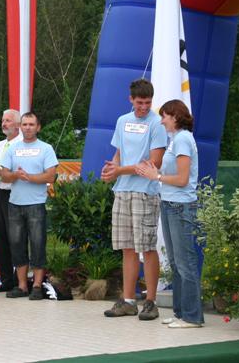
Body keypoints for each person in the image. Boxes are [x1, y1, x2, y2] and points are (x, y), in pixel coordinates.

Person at [101, 78, 166, 321]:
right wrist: (112, 169)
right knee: (127, 247)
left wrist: (120, 170)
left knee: (147, 247)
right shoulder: (122, 121)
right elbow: (118, 154)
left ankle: (151, 301)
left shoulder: (157, 123)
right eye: (139, 103)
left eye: (147, 103)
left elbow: (154, 163)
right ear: (131, 100)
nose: (143, 107)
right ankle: (128, 300)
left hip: (146, 192)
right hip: (122, 191)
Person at [137, 99, 203, 328]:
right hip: (170, 203)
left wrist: (156, 177)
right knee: (176, 262)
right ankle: (180, 313)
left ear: (175, 116)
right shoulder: (176, 140)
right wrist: (156, 172)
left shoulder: (183, 139)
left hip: (180, 206)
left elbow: (183, 180)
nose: (162, 120)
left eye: (164, 115)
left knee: (185, 263)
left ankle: (192, 316)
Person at [0, 112, 58, 300]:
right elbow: (4, 175)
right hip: (14, 204)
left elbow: (51, 176)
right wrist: (16, 176)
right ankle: (22, 286)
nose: (27, 127)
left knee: (38, 244)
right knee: (17, 245)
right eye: (24, 124)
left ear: (38, 127)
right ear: (20, 127)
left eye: (31, 124)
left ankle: (38, 286)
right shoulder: (13, 148)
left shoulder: (46, 148)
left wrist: (30, 177)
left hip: (36, 204)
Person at [0, 109, 22, 292]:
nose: (4, 123)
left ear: (17, 124)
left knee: (14, 238)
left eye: (8, 120)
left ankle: (19, 280)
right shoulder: (0, 144)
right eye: (3, 120)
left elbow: (18, 170)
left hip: (14, 193)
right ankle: (6, 279)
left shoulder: (22, 144)